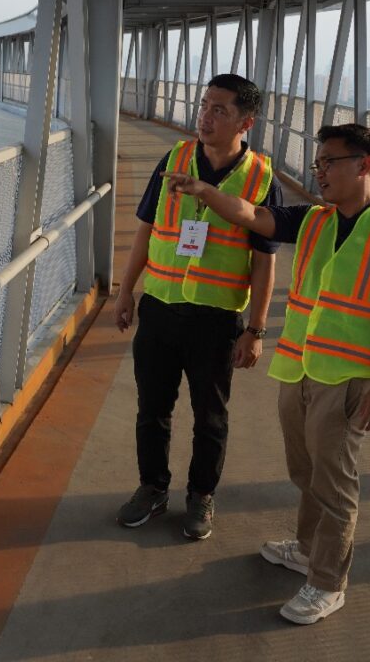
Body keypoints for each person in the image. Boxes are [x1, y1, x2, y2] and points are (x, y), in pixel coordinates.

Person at [162, 122, 370, 624]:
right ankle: (308, 549)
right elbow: (253, 215)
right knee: (305, 471)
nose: (319, 172)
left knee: (334, 484)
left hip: (349, 380)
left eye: (329, 162)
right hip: (301, 370)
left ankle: (328, 583)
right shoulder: (314, 221)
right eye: (317, 163)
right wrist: (204, 190)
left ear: (364, 165)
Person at [114, 73, 280, 541]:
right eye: (204, 105)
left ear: (245, 121)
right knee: (152, 409)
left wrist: (257, 329)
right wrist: (127, 291)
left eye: (219, 110)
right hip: (161, 308)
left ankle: (201, 495)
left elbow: (264, 263)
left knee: (210, 416)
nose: (205, 116)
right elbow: (146, 229)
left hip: (216, 318)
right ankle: (152, 487)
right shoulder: (174, 159)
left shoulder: (261, 179)